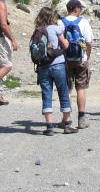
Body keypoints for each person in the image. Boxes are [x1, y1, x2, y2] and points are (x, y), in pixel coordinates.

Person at [31, 7, 77, 135]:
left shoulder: (38, 30)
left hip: (43, 66)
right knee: (63, 92)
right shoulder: (55, 28)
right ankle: (67, 124)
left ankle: (49, 126)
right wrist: (66, 42)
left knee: (47, 95)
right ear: (51, 17)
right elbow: (65, 45)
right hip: (58, 64)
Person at [60, 0, 94, 129]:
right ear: (76, 9)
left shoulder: (60, 22)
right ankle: (81, 118)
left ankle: (66, 119)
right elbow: (89, 42)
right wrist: (87, 56)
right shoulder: (84, 22)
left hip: (66, 60)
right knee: (80, 88)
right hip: (81, 59)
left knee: (68, 89)